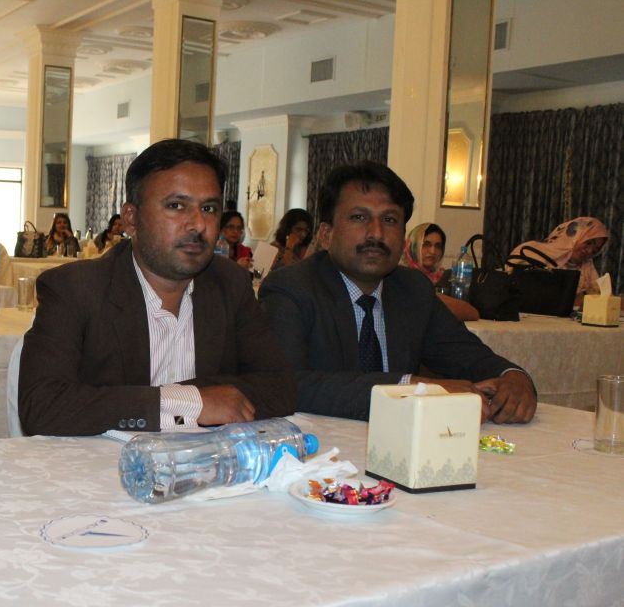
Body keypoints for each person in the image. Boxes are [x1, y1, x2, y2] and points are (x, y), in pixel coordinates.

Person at [19, 138, 296, 436]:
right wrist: (189, 403)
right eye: (176, 206)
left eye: (209, 208)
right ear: (131, 219)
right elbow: (42, 406)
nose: (198, 225)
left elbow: (280, 386)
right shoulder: (75, 289)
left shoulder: (230, 284)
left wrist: (179, 399)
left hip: (205, 460)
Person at [259, 161, 536, 424]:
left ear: (403, 238)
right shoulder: (291, 288)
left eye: (390, 220)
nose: (376, 234)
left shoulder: (413, 290)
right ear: (326, 234)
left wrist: (513, 376)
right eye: (359, 217)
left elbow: (467, 355)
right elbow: (286, 384)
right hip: (320, 446)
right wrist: (408, 388)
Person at [508, 217, 610, 306]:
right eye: (588, 242)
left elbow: (598, 299)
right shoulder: (531, 250)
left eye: (595, 250)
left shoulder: (587, 266)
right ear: (574, 236)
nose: (590, 251)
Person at [402, 222, 479, 321]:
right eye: (426, 244)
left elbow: (470, 313)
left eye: (438, 246)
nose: (433, 251)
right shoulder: (402, 276)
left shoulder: (445, 278)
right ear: (412, 246)